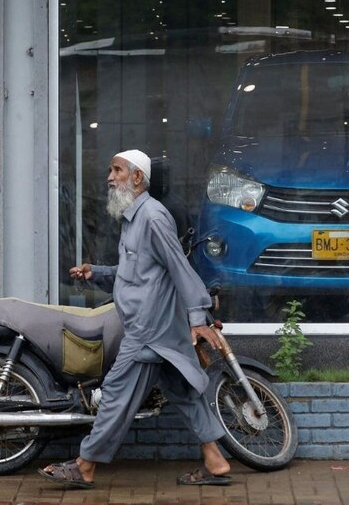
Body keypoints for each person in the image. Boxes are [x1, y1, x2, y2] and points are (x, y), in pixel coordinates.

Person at [38, 149, 233, 489]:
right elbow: (134, 274)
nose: (110, 177)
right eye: (111, 170)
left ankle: (85, 466)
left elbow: (179, 268)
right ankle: (215, 461)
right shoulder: (134, 219)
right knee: (184, 392)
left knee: (115, 393)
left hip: (148, 330)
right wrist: (94, 273)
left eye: (117, 170)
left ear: (138, 178)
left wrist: (199, 317)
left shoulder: (153, 218)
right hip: (157, 328)